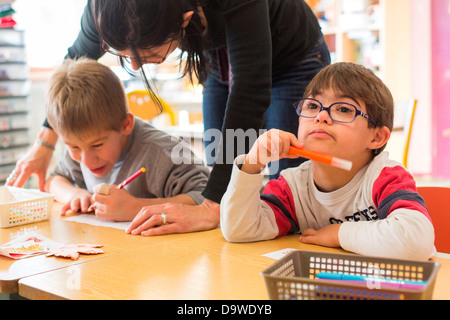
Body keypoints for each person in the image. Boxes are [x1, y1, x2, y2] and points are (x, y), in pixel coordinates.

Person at [9, 0, 330, 236]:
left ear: (185, 18)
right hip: (220, 61)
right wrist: (44, 143)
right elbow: (73, 62)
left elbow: (250, 89)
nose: (135, 67)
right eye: (123, 55)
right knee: (223, 174)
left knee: (286, 181)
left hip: (289, 54)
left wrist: (211, 208)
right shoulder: (105, 9)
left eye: (147, 54)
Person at [220, 62, 435, 261]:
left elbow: (416, 242)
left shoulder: (386, 177)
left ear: (376, 137)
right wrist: (251, 164)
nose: (321, 116)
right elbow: (240, 229)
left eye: (343, 109)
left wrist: (339, 234)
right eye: (312, 106)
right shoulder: (292, 186)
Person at [44, 58, 209, 222]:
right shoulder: (82, 145)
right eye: (73, 147)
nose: (86, 161)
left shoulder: (162, 153)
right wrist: (74, 194)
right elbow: (53, 181)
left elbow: (207, 198)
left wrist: (136, 208)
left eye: (97, 145)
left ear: (126, 125)